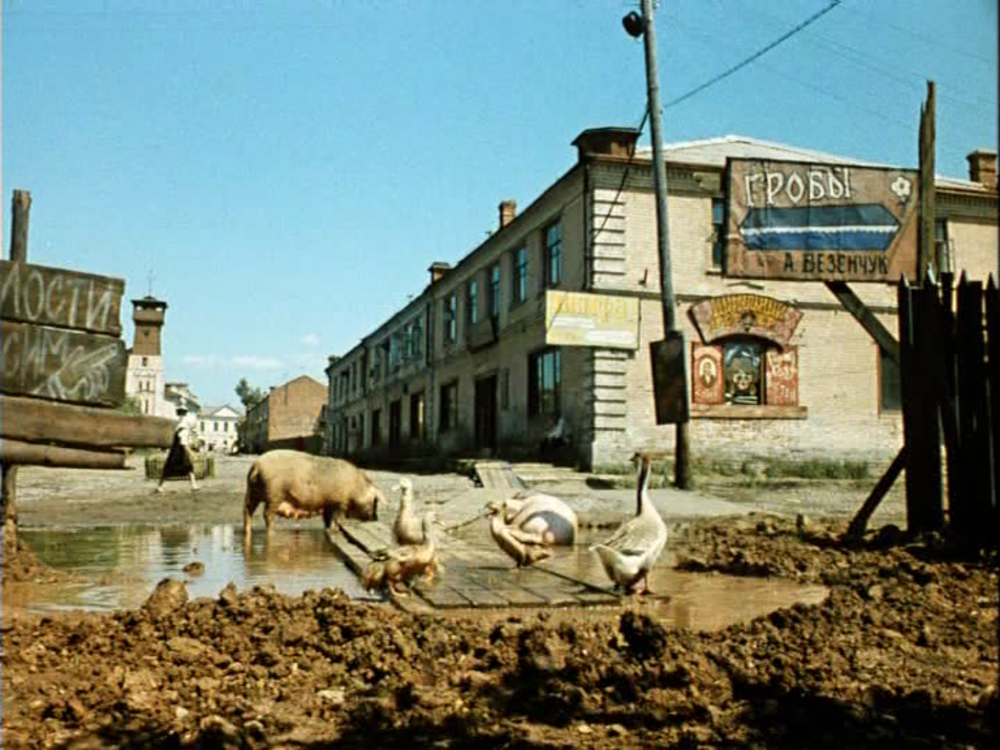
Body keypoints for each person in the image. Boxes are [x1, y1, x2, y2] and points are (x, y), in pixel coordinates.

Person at [156, 405, 200, 493]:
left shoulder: (178, 426)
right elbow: (183, 443)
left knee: (174, 468)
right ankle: (193, 485)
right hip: (179, 452)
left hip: (175, 451)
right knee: (186, 467)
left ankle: (160, 486)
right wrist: (191, 453)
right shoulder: (184, 429)